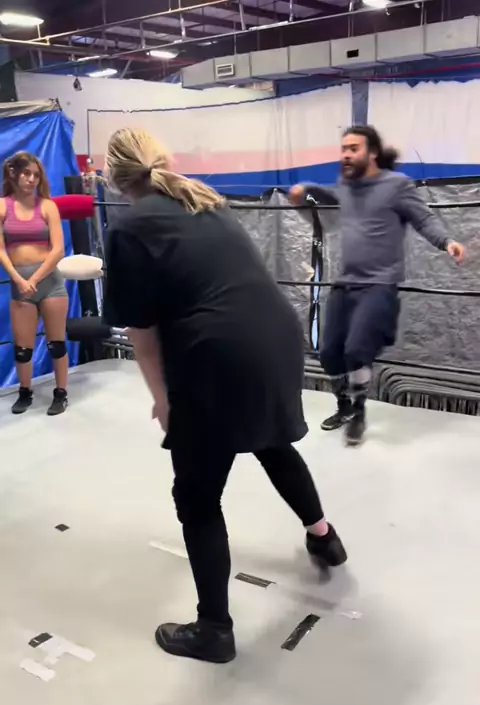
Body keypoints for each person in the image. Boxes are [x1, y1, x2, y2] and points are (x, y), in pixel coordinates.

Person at [103, 128, 348, 664]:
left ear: (113, 177)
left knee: (196, 496)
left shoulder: (128, 226)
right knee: (271, 442)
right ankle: (324, 537)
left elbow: (142, 332)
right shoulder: (205, 201)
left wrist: (163, 397)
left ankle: (214, 629)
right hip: (276, 337)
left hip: (217, 352)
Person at [289, 125, 465, 446]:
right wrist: (304, 191)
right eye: (343, 148)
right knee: (328, 354)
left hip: (379, 283)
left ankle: (358, 412)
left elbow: (424, 218)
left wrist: (447, 241)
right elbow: (330, 196)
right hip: (345, 282)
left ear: (371, 153)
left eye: (353, 148)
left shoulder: (396, 185)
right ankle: (344, 405)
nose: (346, 154)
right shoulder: (347, 185)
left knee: (357, 349)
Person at [0, 151, 68, 416]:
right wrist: (19, 280)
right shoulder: (3, 206)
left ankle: (61, 393)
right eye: (26, 173)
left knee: (56, 344)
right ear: (13, 174)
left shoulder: (48, 206)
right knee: (23, 349)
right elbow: (1, 250)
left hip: (50, 283)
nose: (31, 179)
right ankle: (25, 391)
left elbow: (58, 250)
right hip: (21, 286)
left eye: (36, 175)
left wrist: (34, 279)